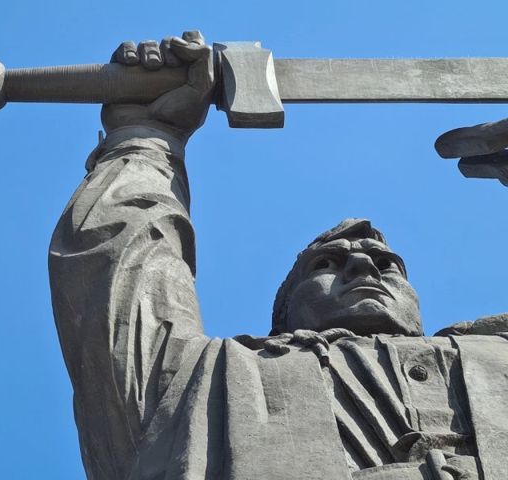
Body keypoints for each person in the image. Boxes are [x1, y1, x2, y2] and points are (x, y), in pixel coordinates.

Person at [48, 32, 508, 480]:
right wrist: (146, 136)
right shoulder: (204, 382)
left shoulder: (496, 353)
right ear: (283, 315)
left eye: (389, 266)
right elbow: (119, 270)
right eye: (326, 264)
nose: (365, 266)